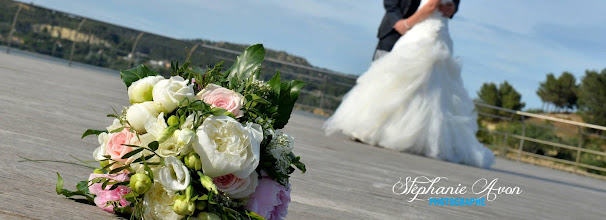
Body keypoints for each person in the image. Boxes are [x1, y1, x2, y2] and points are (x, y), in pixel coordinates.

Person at [324, 0, 495, 168]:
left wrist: (408, 24)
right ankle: (401, 133)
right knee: (416, 84)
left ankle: (382, 130)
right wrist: (404, 23)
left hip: (424, 30)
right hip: (414, 30)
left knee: (405, 81)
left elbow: (432, 5)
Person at [374, 0, 459, 60]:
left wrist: (453, 7)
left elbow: (432, 6)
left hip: (426, 32)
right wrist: (399, 23)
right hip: (392, 31)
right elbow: (390, 4)